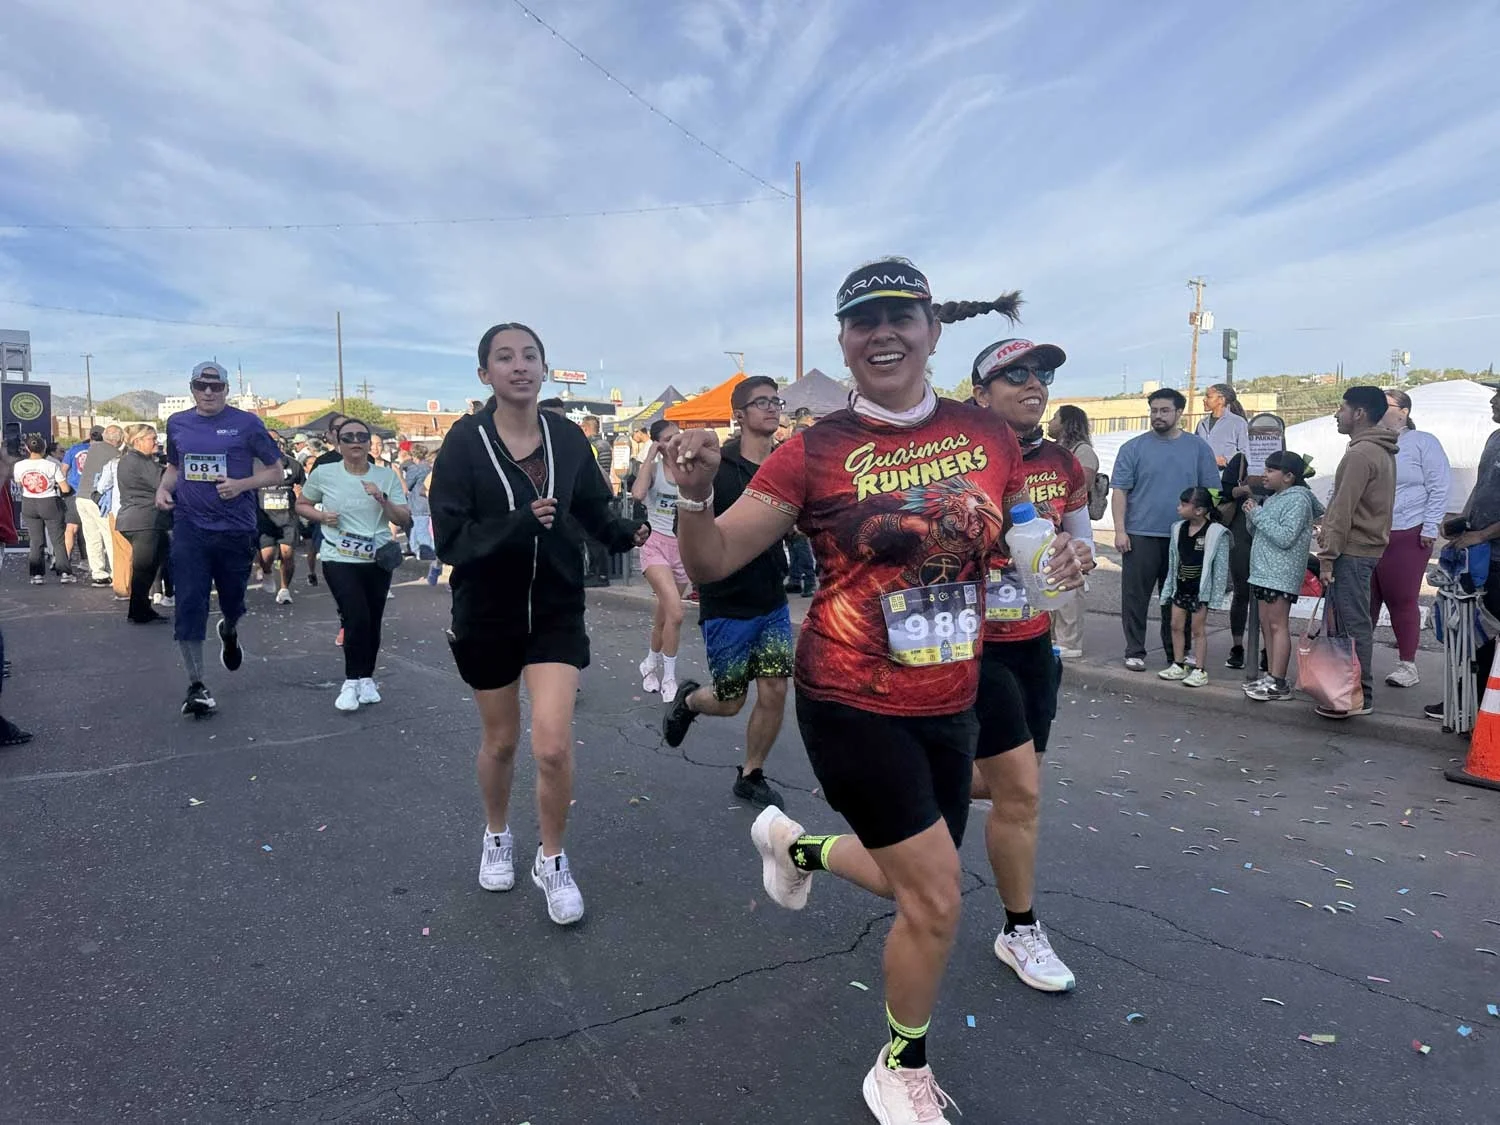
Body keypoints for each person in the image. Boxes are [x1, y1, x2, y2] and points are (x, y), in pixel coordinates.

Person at [668, 258, 1081, 1121]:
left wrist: (1058, 565)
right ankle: (900, 1066)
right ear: (845, 343)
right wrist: (698, 495)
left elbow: (1027, 545)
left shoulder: (989, 434)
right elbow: (709, 561)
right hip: (849, 698)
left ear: (932, 329)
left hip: (953, 694)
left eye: (900, 315)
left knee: (905, 883)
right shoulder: (812, 451)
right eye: (863, 321)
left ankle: (796, 848)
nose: (883, 332)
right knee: (934, 894)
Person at [430, 323, 648, 927]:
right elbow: (450, 541)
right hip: (487, 612)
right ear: (485, 375)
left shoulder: (567, 438)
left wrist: (626, 531)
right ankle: (497, 834)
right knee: (501, 741)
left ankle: (552, 859)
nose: (519, 366)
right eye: (505, 358)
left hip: (555, 607)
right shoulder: (463, 442)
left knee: (551, 745)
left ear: (544, 368)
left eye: (530, 356)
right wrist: (519, 524)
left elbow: (593, 509)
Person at [968, 337, 1094, 993]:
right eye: (1014, 373)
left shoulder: (1063, 465)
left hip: (1035, 644)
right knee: (1021, 791)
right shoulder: (959, 458)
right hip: (969, 645)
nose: (1033, 382)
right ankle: (1020, 928)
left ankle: (913, 781)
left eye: (1041, 373)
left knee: (1014, 786)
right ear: (981, 392)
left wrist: (1077, 559)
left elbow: (1080, 542)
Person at [660, 376, 792, 810]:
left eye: (776, 400)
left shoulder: (785, 465)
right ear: (739, 414)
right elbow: (690, 532)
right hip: (727, 604)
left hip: (772, 601)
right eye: (761, 402)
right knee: (731, 700)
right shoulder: (719, 465)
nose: (772, 408)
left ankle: (751, 774)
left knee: (774, 690)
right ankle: (691, 700)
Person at [155, 361, 286, 718]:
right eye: (202, 385)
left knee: (233, 601)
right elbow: (174, 466)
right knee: (190, 602)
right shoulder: (177, 423)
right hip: (189, 526)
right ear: (192, 387)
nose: (209, 392)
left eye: (216, 386)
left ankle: (229, 629)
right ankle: (196, 685)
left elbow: (277, 471)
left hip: (234, 528)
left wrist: (241, 485)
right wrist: (163, 489)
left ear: (227, 389)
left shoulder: (247, 424)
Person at [297, 418, 410, 711]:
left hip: (377, 556)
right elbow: (302, 504)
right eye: (348, 437)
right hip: (338, 556)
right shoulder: (324, 473)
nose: (356, 442)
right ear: (338, 442)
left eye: (361, 436)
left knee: (372, 619)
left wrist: (382, 499)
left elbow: (404, 519)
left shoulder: (385, 476)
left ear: (369, 441)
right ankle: (350, 681)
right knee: (355, 616)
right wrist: (321, 517)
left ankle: (367, 679)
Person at [1111, 389, 1220, 670]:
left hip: (1184, 538)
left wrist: (1206, 532)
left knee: (1178, 598)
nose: (1157, 416)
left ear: (1179, 412)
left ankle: (1176, 656)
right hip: (1140, 534)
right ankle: (1134, 650)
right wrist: (1120, 530)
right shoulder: (1133, 448)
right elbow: (1120, 492)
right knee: (1135, 597)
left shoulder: (1198, 448)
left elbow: (1211, 493)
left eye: (1163, 410)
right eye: (1154, 410)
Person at [1315, 386, 1398, 719]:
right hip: (1364, 548)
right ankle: (1345, 691)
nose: (1337, 414)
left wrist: (1327, 556)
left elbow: (1342, 509)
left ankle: (1357, 696)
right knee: (1350, 622)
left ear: (1359, 413)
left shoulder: (1361, 454)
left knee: (1351, 624)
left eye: (1342, 408)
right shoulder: (1380, 450)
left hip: (1353, 550)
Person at [1425, 383, 1500, 724]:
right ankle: (1465, 701)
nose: (1493, 401)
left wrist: (1482, 534)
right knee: (1471, 630)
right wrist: (1462, 521)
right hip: (1480, 551)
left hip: (1493, 551)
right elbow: (1481, 487)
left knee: (1490, 629)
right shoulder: (1494, 439)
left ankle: (1484, 710)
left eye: (1499, 396)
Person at [1371, 389, 1449, 688]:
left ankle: (1408, 664)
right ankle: (1355, 660)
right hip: (1370, 531)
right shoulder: (1369, 442)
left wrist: (1430, 526)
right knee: (1366, 600)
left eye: (1386, 406)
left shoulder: (1421, 442)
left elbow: (1439, 485)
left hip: (1408, 530)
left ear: (1403, 411)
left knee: (1401, 599)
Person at [1241, 451, 1322, 701]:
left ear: (1288, 476)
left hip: (1281, 573)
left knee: (1278, 625)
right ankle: (1270, 674)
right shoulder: (1275, 497)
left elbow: (1285, 537)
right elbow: (1260, 532)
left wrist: (1257, 514)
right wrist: (1251, 515)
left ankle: (1279, 681)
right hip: (1263, 571)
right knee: (1267, 624)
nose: (1264, 475)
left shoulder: (1298, 500)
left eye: (1270, 470)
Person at [633, 419, 689, 699]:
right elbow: (638, 494)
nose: (674, 442)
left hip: (684, 549)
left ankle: (650, 664)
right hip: (656, 545)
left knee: (665, 617)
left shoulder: (689, 467)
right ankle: (669, 678)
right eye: (667, 438)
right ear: (658, 443)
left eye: (677, 436)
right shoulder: (655, 469)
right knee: (676, 613)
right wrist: (650, 456)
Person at [1158, 488, 1230, 686]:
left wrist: (1215, 597)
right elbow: (1173, 561)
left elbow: (1221, 568)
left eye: (1183, 504)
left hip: (1200, 590)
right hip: (1180, 586)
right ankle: (1178, 664)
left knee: (1198, 630)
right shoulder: (1177, 528)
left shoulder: (1215, 533)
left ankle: (1199, 669)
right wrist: (1168, 589)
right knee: (1176, 625)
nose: (1178, 508)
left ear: (1198, 510)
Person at [1046, 403, 1098, 658]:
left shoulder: (1082, 452)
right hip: (1053, 527)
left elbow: (1080, 487)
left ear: (1067, 422)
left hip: (1070, 525)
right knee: (1052, 579)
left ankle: (1070, 641)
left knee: (1070, 583)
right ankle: (1055, 636)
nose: (1050, 421)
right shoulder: (1055, 451)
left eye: (1055, 417)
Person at [115, 424, 174, 624]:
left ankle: (141, 608)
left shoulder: (134, 460)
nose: (156, 442)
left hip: (139, 519)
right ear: (138, 441)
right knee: (143, 567)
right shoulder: (138, 461)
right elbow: (163, 481)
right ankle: (139, 610)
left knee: (152, 562)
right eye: (152, 439)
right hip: (143, 519)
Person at [13, 434, 76, 584]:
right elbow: (65, 488)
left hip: (29, 503)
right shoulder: (51, 465)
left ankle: (36, 575)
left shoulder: (19, 465)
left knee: (36, 540)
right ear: (44, 449)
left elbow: (20, 483)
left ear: (27, 448)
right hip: (49, 502)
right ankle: (65, 573)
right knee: (57, 540)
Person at [255, 442, 305, 604]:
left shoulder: (294, 465)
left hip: (288, 517)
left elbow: (304, 488)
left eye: (279, 444)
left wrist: (300, 496)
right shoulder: (254, 464)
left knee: (287, 553)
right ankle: (267, 571)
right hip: (264, 518)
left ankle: (284, 589)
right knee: (267, 556)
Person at [77, 424, 123, 586]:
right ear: (120, 439)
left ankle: (98, 573)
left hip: (81, 496)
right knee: (109, 536)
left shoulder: (93, 449)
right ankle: (117, 573)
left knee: (91, 536)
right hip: (98, 499)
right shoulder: (117, 455)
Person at [577, 414, 615, 587]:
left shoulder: (590, 446)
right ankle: (599, 573)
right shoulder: (605, 444)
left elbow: (588, 468)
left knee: (591, 538)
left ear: (585, 428)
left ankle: (598, 574)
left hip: (592, 494)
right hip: (602, 492)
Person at [1195, 383, 1250, 468]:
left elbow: (1246, 451)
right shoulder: (1201, 424)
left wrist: (1226, 459)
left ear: (1221, 399)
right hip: (1202, 477)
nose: (1204, 399)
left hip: (1226, 477)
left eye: (1209, 397)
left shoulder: (1238, 423)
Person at [402, 444, 435, 560]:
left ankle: (429, 554)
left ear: (413, 455)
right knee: (415, 529)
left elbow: (406, 486)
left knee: (421, 531)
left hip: (417, 503)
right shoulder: (430, 467)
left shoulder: (414, 469)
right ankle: (416, 551)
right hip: (427, 502)